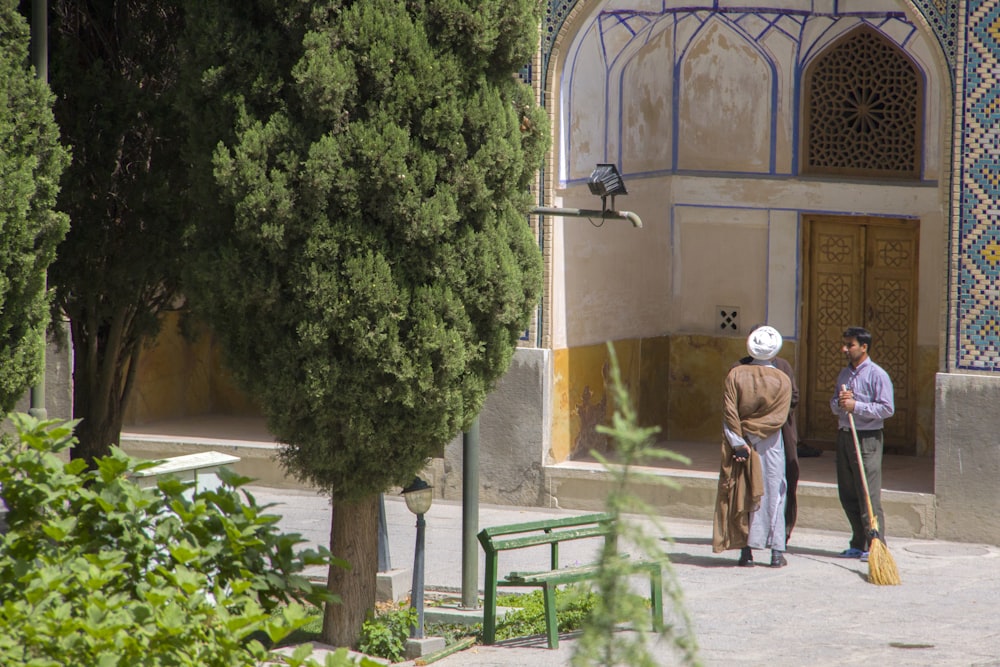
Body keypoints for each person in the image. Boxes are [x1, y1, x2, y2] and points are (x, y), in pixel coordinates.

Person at [713, 326, 792, 568]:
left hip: (741, 444)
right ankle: (776, 552)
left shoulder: (735, 375)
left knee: (741, 493)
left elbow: (729, 414)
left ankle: (745, 551)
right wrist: (755, 439)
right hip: (770, 446)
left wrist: (740, 443)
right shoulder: (782, 380)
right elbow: (778, 418)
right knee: (774, 494)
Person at [830, 326, 894, 562]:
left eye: (850, 345)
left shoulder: (878, 375)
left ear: (864, 347)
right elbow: (834, 403)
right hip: (846, 435)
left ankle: (876, 544)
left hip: (867, 438)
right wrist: (840, 402)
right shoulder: (844, 375)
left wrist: (856, 406)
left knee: (868, 493)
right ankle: (857, 541)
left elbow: (887, 408)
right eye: (844, 344)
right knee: (848, 492)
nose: (844, 349)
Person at [734, 325, 800, 542]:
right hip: (752, 440)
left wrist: (757, 425)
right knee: (750, 489)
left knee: (778, 487)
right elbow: (731, 408)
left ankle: (778, 541)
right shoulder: (738, 370)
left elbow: (791, 400)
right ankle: (748, 543)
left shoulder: (782, 371)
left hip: (773, 438)